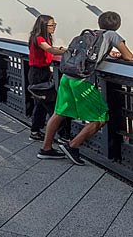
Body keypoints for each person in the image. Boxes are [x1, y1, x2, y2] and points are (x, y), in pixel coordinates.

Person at [39, 11, 133, 164]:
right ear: (118, 25)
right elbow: (129, 56)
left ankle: (46, 149)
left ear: (99, 23)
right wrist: (121, 56)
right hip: (82, 81)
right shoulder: (112, 35)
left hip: (66, 77)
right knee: (101, 117)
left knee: (59, 113)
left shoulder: (90, 34)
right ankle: (72, 146)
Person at [27, 15, 67, 141]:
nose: (53, 27)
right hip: (38, 74)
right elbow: (50, 50)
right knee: (51, 103)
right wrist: (69, 51)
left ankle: (35, 131)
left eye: (54, 24)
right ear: (43, 26)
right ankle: (62, 135)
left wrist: (60, 49)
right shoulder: (38, 38)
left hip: (41, 72)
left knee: (40, 103)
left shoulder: (43, 37)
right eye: (51, 25)